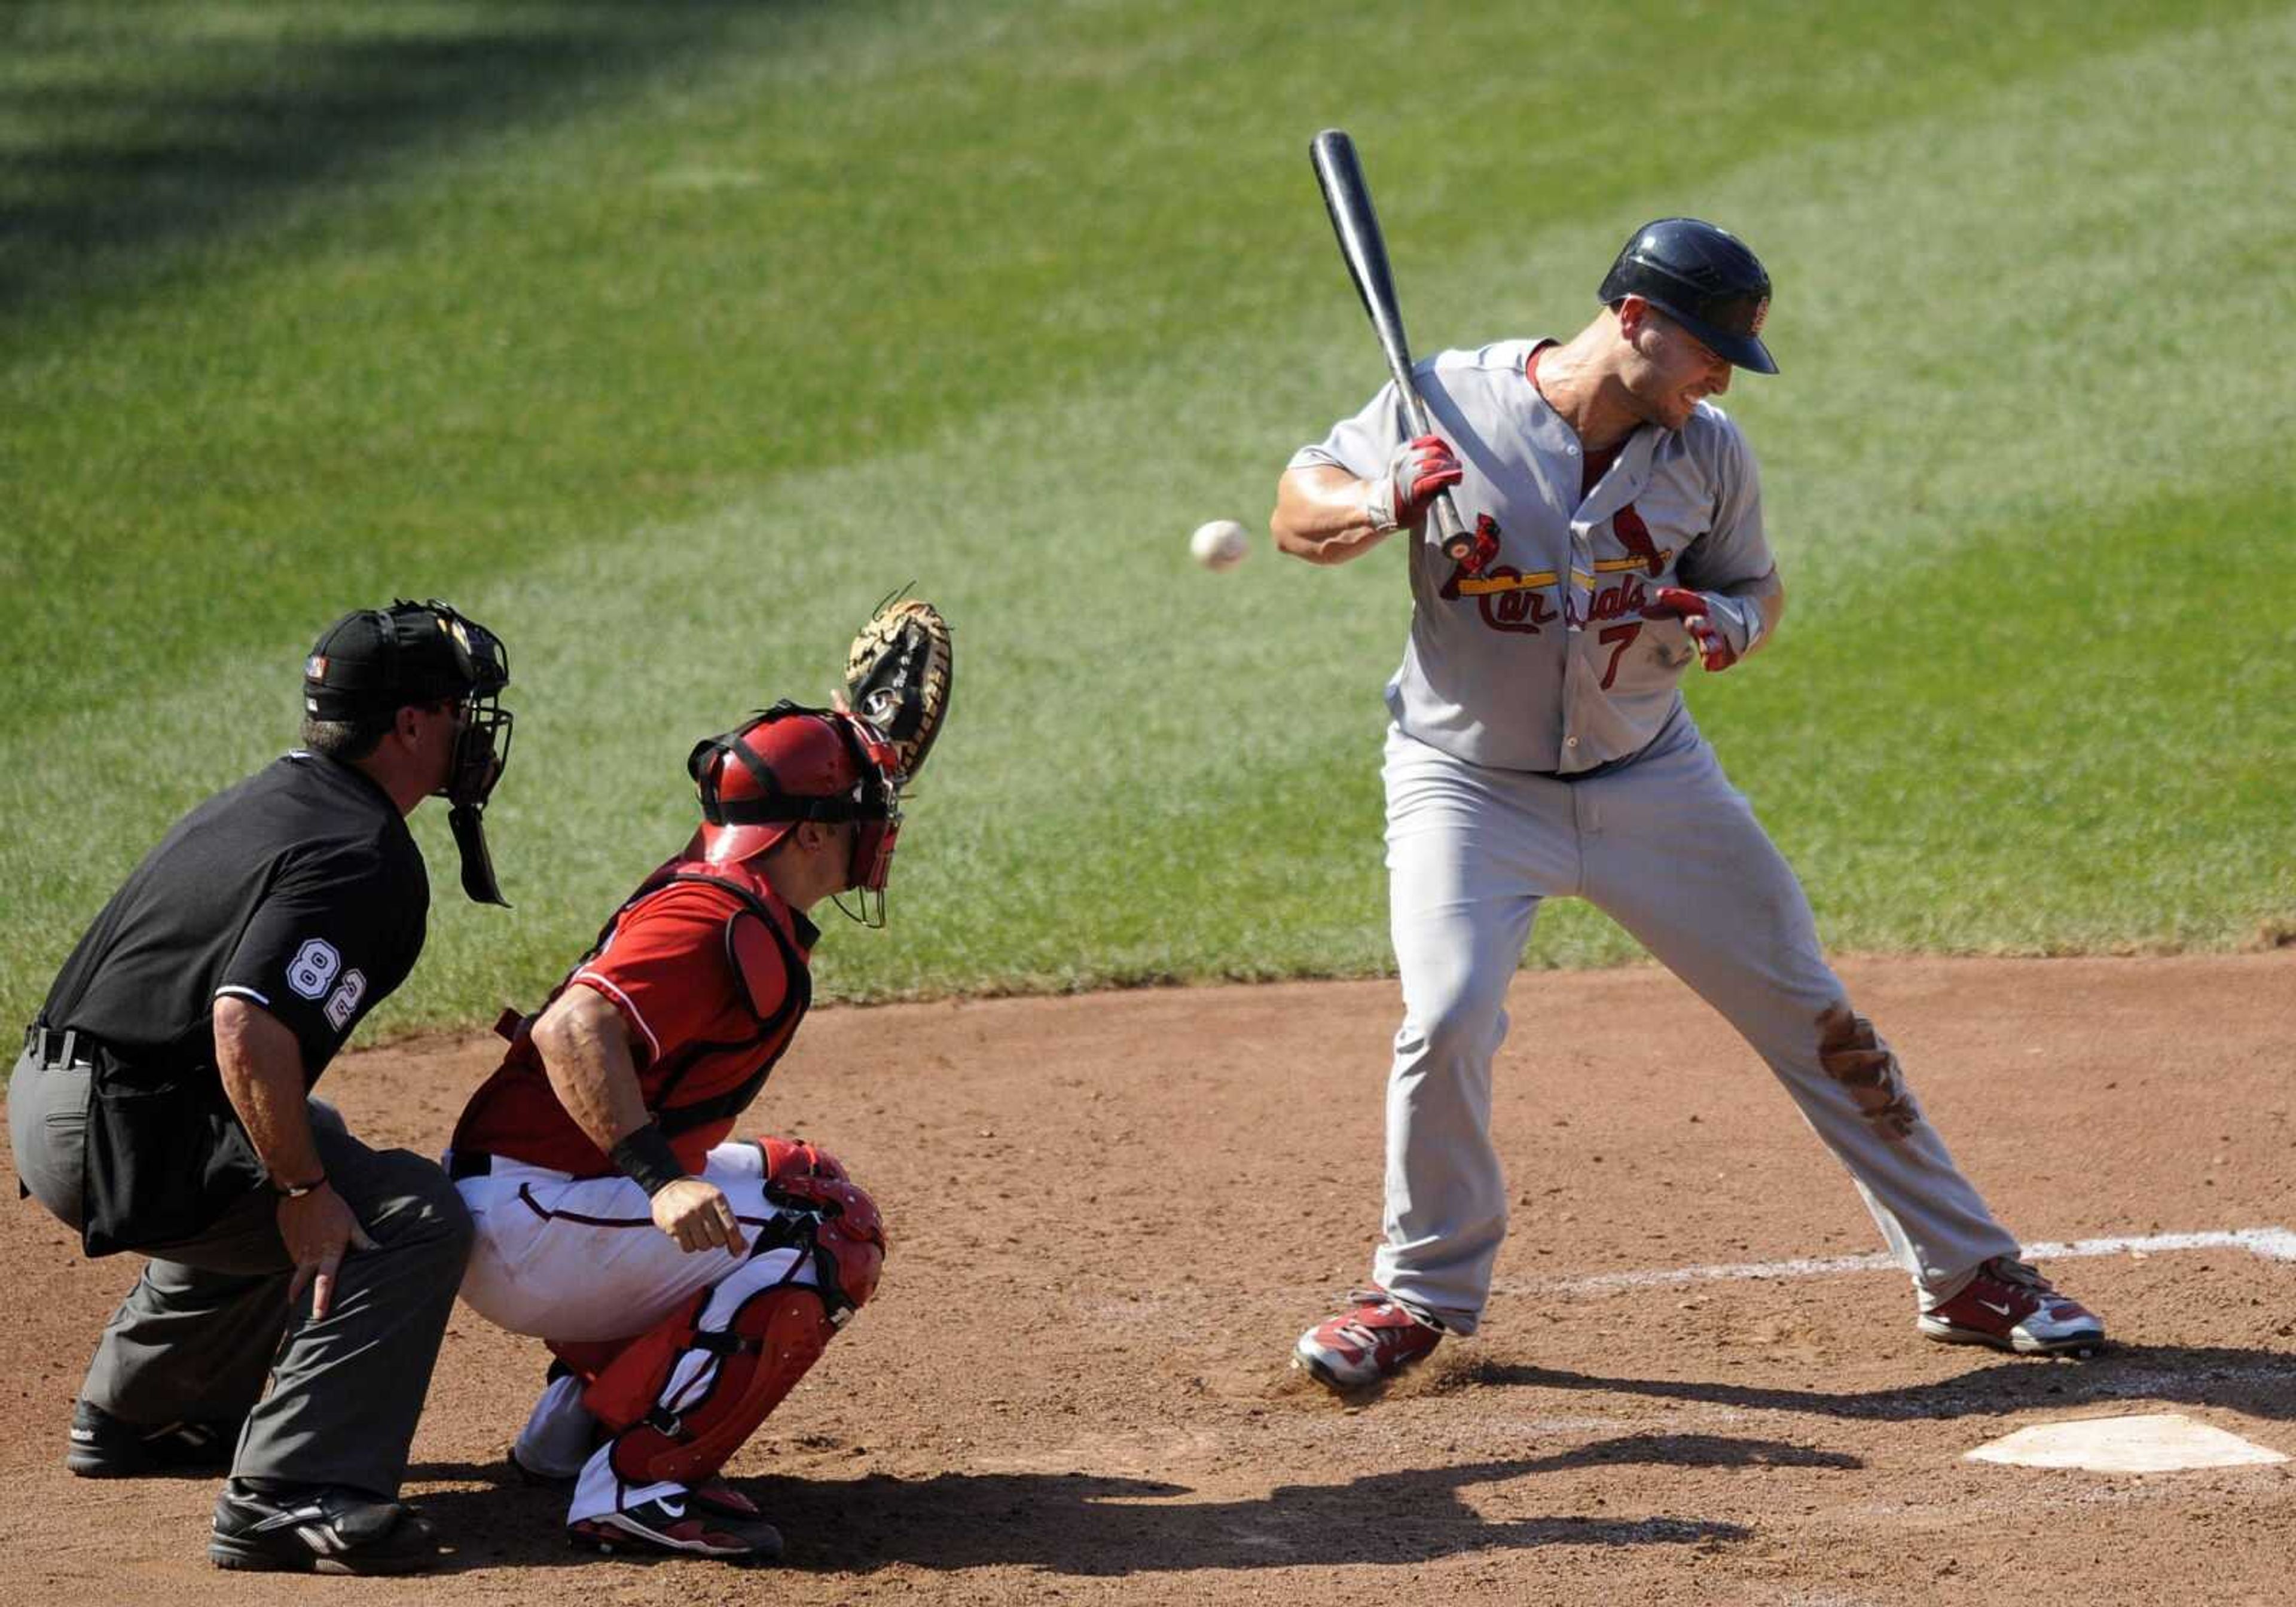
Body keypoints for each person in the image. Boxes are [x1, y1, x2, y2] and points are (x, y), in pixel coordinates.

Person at [1271, 218, 2105, 1391]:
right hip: (1466, 788)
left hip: (1653, 779)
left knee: (1814, 1014)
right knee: (1446, 1018)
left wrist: (1731, 625)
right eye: (1708, 349)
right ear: (1633, 320)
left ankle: (1968, 1271)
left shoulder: (1709, 453)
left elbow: (1754, 584)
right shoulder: (1442, 397)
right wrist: (1377, 495)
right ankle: (1415, 1296)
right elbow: (1294, 514)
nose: (1720, 376)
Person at [8, 599, 515, 1571]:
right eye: (457, 709)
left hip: (45, 1096)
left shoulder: (270, 797)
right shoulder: (363, 855)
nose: (470, 730)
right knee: (402, 1216)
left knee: (299, 1130)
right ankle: (291, 1494)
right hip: (118, 1132)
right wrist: (302, 1195)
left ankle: (149, 1413)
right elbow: (244, 1020)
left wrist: (295, 1167)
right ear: (409, 725)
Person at [444, 701, 900, 1563]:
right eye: (863, 810)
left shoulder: (740, 893)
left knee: (805, 1185)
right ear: (808, 834)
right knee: (821, 1233)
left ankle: (571, 1432)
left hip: (538, 1193)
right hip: (530, 1216)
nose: (880, 829)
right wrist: (662, 1180)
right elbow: (571, 1030)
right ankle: (642, 1484)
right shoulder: (706, 918)